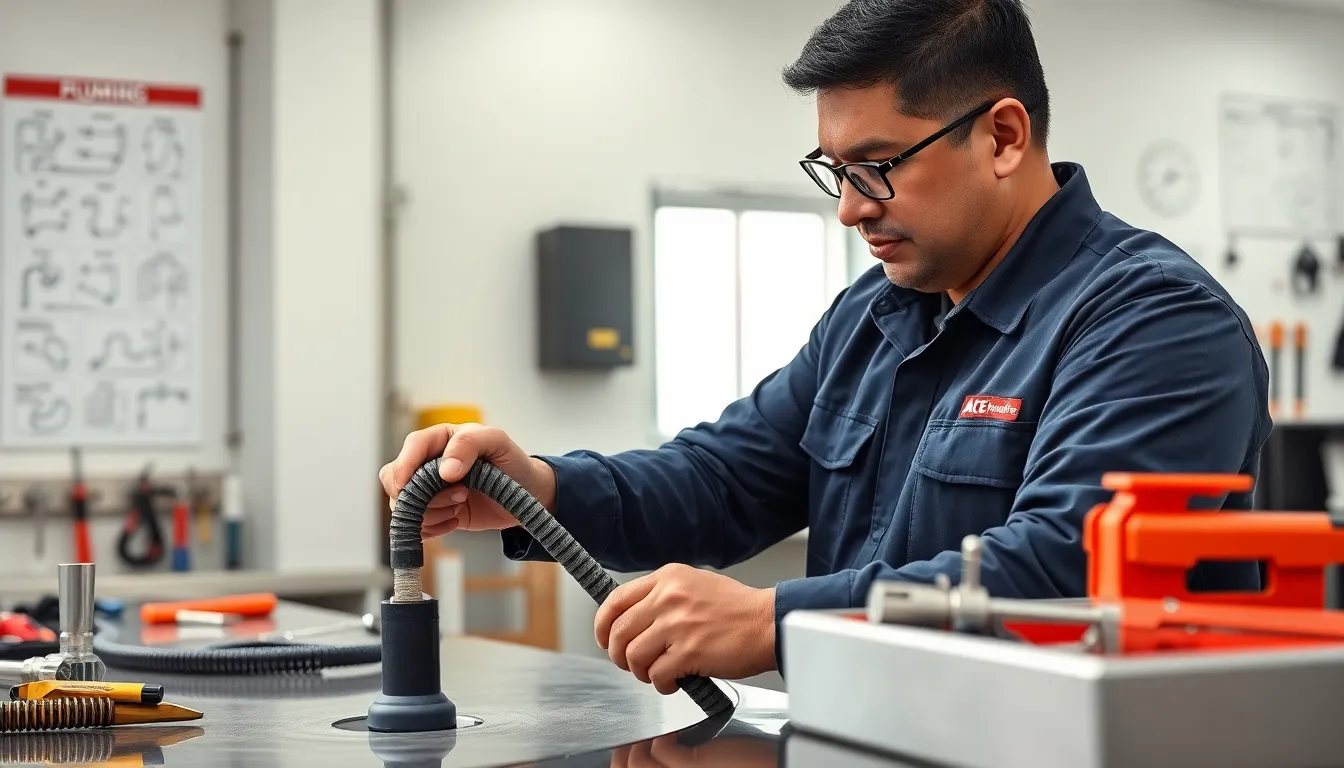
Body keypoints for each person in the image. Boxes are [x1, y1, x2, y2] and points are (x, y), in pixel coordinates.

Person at [380, 0, 1270, 695]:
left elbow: (1063, 570)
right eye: (834, 171)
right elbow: (725, 477)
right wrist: (542, 489)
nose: (849, 208)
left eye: (877, 166)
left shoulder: (1156, 323)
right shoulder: (876, 316)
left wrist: (776, 620)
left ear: (1003, 136)